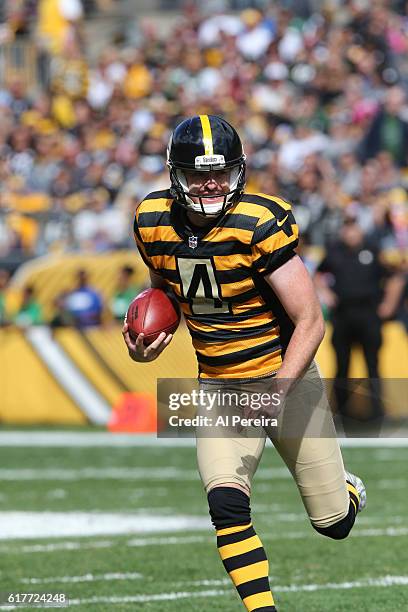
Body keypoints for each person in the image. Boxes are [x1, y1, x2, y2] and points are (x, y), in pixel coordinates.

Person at [123, 115, 366, 612]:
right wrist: (147, 339)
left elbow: (312, 321)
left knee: (333, 524)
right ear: (176, 175)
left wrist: (277, 390)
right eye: (198, 173)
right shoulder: (152, 220)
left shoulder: (259, 222)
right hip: (218, 387)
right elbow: (164, 289)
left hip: (286, 380)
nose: (210, 183)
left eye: (220, 172)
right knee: (226, 504)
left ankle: (347, 492)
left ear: (239, 171)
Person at [316, 216, 399, 423]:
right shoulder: (334, 251)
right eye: (347, 228)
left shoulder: (373, 249)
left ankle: (378, 413)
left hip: (369, 314)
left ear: (360, 230)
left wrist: (389, 303)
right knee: (342, 365)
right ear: (343, 231)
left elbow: (394, 277)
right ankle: (341, 415)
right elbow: (316, 275)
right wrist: (325, 294)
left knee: (373, 364)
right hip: (343, 315)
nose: (351, 233)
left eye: (354, 228)